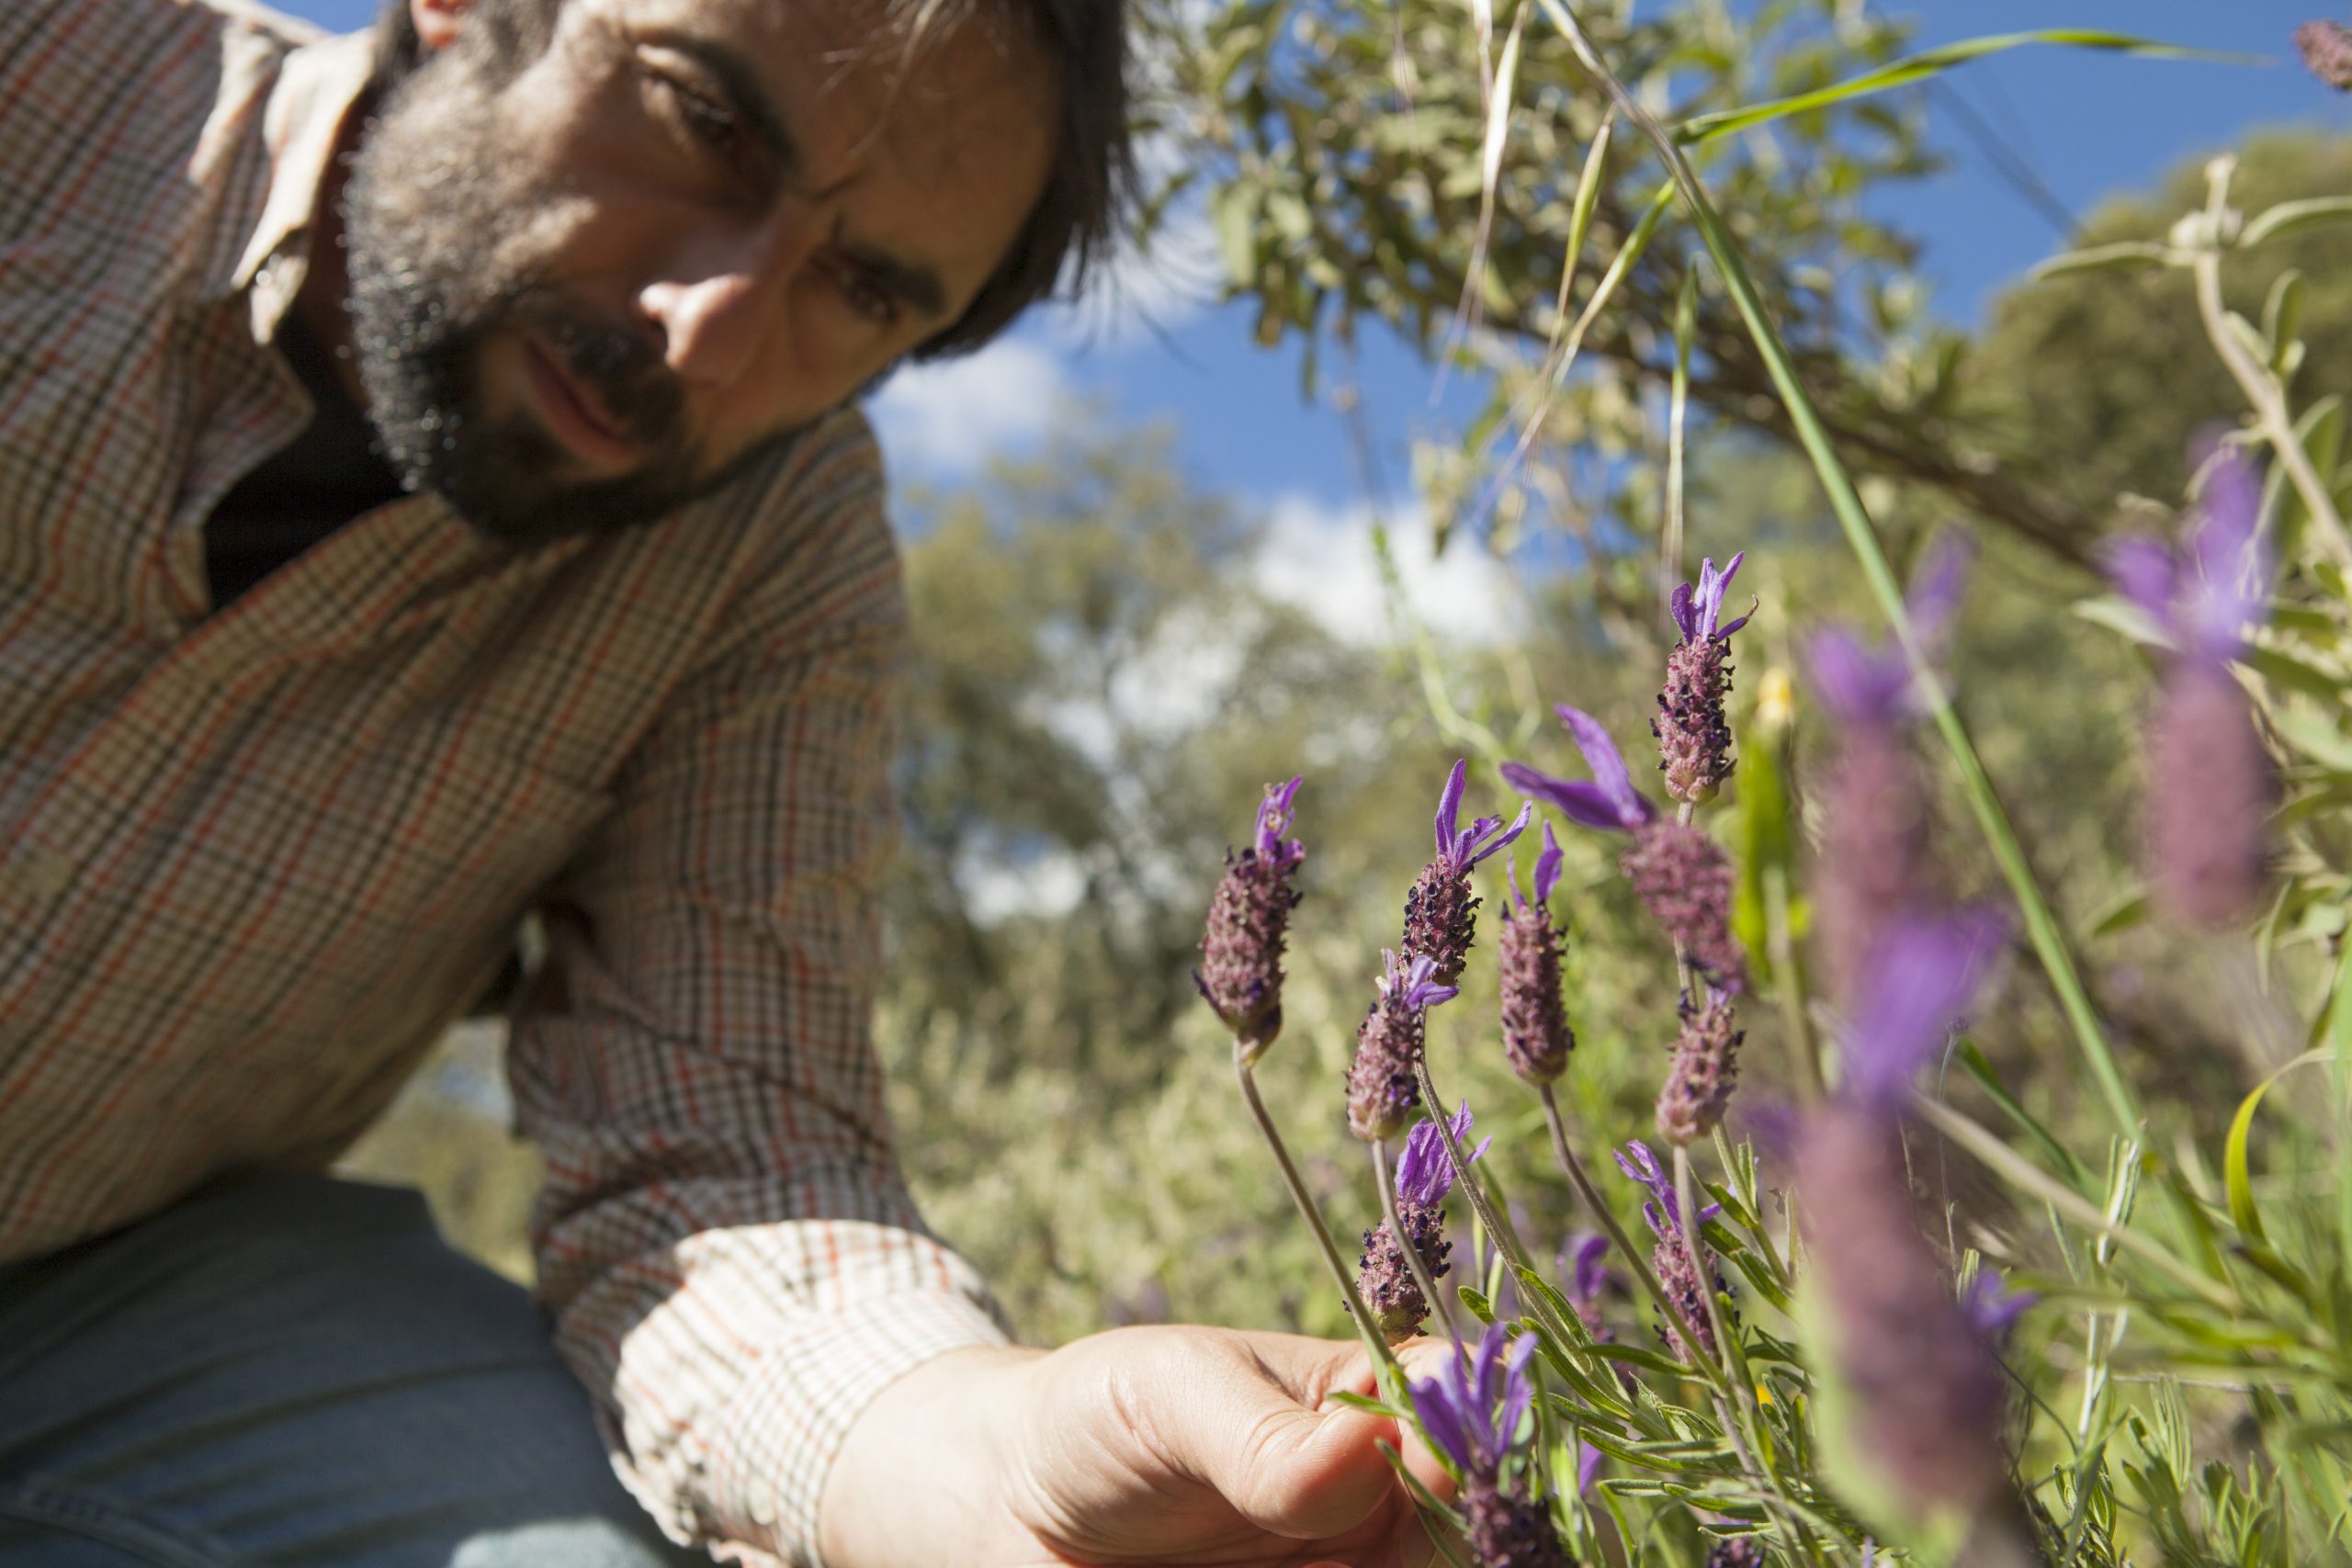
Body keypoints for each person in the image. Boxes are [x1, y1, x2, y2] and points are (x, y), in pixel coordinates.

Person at [0, 0, 1450, 1563]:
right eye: (703, 121)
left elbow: (724, 1164)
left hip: (84, 1305)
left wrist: (997, 1456)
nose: (709, 323)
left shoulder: (767, 563)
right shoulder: (59, 76)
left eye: (862, 287)